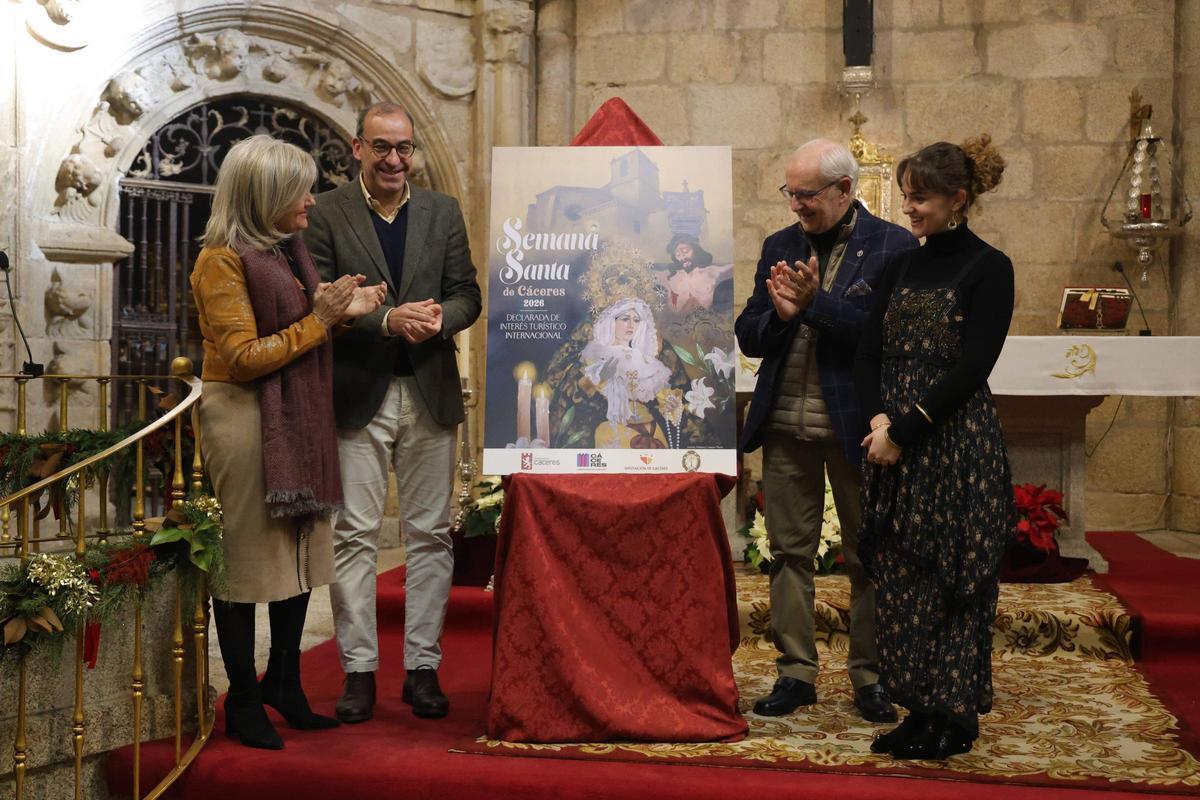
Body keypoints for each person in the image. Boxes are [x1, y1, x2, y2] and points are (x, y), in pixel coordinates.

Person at [191, 134, 385, 749]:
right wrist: (322, 318)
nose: (310, 200)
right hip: (246, 419)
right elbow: (245, 357)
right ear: (266, 195)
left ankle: (285, 682)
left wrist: (347, 307)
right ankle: (244, 700)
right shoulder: (219, 260)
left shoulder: (284, 252)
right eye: (298, 190)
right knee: (250, 564)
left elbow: (294, 327)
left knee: (302, 551)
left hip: (294, 416)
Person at [304, 101, 481, 723]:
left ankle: (422, 668)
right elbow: (318, 300)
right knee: (354, 535)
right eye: (381, 147)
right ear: (357, 149)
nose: (394, 160)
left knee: (430, 534)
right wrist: (384, 319)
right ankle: (357, 672)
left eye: (404, 148)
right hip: (357, 394)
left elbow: (468, 295)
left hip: (429, 389)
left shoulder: (442, 211)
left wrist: (437, 320)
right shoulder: (326, 211)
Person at [736, 139, 917, 723]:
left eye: (807, 194)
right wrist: (780, 316)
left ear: (845, 190)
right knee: (789, 553)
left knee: (869, 556)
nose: (796, 206)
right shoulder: (779, 246)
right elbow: (747, 333)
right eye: (790, 192)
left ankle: (870, 676)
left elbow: (888, 336)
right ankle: (796, 674)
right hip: (786, 423)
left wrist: (815, 306)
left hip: (858, 427)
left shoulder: (892, 245)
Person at [854, 135, 1015, 759]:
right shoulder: (900, 263)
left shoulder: (988, 267)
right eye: (905, 197)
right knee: (900, 576)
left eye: (920, 199)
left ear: (959, 199)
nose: (909, 209)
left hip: (952, 445)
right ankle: (917, 708)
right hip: (892, 441)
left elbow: (973, 365)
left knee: (951, 579)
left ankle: (953, 715)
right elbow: (870, 350)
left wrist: (904, 430)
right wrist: (877, 421)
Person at [581, 297, 673, 447]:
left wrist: (671, 406)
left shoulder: (647, 361)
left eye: (636, 320)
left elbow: (664, 402)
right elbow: (585, 393)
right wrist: (601, 378)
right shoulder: (598, 355)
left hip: (650, 428)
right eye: (625, 319)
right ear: (612, 321)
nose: (631, 325)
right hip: (611, 430)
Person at [657, 233, 734, 315]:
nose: (683, 257)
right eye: (678, 255)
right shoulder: (671, 278)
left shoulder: (711, 271)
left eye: (685, 251)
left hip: (707, 321)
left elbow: (735, 268)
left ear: (696, 250)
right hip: (678, 323)